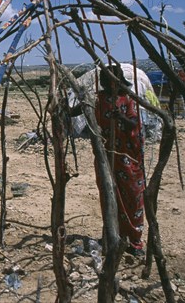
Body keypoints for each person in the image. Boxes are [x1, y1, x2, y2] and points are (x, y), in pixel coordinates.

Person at [72, 64, 146, 257]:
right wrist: (61, 107)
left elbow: (135, 123)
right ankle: (114, 235)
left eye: (110, 82)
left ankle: (136, 241)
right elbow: (79, 110)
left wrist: (120, 117)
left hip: (128, 158)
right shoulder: (99, 99)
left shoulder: (128, 99)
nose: (107, 86)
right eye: (105, 82)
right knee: (109, 195)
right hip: (107, 157)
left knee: (133, 197)